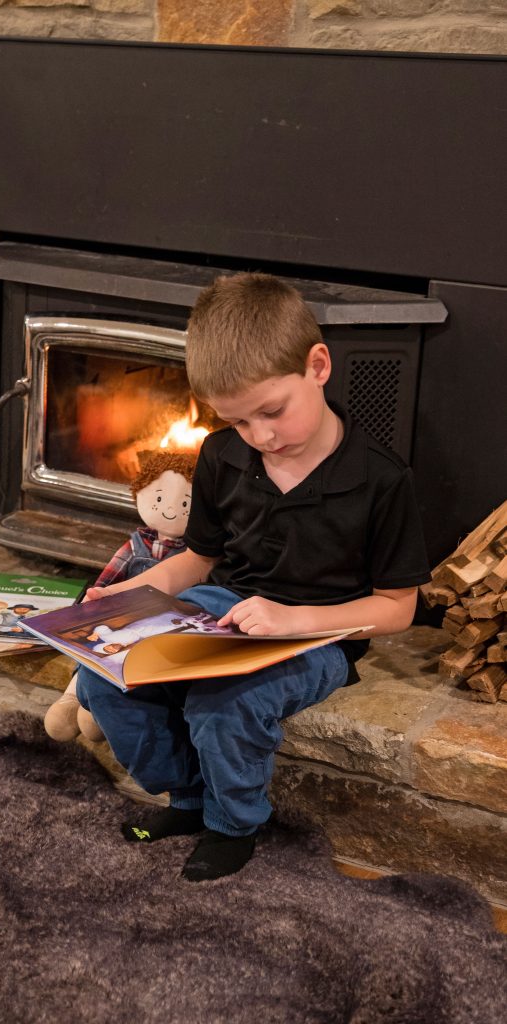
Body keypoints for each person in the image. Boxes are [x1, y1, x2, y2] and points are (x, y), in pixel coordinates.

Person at [75, 272, 432, 883]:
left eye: (272, 412)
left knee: (225, 702)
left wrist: (293, 620)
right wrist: (129, 595)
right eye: (240, 422)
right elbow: (199, 560)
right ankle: (185, 800)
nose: (261, 437)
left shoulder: (381, 480)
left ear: (318, 366)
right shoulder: (222, 454)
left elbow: (398, 608)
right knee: (105, 677)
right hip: (220, 605)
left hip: (320, 633)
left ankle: (232, 824)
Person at [43, 450, 196, 741]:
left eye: (187, 503)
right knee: (97, 649)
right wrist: (90, 607)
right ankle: (72, 697)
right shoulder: (136, 545)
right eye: (160, 499)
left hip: (160, 628)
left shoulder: (197, 557)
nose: (171, 511)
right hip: (121, 618)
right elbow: (107, 581)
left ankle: (96, 707)